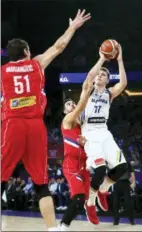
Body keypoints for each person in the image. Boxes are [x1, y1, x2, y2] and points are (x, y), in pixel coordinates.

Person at [1, 9, 91, 231]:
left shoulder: (2, 72)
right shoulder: (36, 64)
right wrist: (72, 27)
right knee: (41, 184)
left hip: (12, 125)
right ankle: (52, 228)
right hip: (35, 127)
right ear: (26, 51)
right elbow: (59, 47)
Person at [59, 51, 107, 231]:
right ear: (65, 112)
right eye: (68, 105)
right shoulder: (68, 121)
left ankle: (100, 196)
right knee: (78, 196)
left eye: (73, 104)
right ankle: (63, 226)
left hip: (84, 164)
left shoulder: (84, 126)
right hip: (71, 165)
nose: (72, 106)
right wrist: (88, 90)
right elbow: (84, 95)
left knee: (88, 196)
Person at [80, 44, 128, 225]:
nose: (99, 76)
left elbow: (123, 83)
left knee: (122, 168)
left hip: (104, 132)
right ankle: (90, 203)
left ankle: (103, 190)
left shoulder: (109, 93)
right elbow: (89, 77)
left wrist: (120, 60)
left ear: (108, 80)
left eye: (103, 75)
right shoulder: (87, 89)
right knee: (100, 169)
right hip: (90, 132)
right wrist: (102, 58)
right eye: (98, 74)